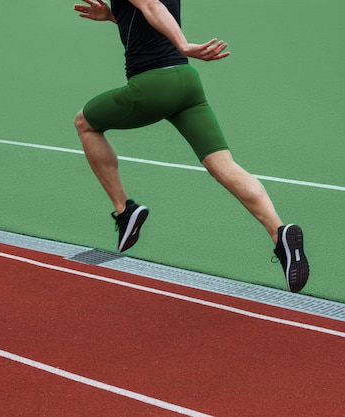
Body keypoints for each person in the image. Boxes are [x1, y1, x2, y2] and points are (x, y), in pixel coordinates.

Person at [72, 0, 310, 292]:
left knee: (85, 123)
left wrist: (184, 45)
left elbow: (152, 6)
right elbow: (147, 18)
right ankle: (280, 234)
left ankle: (125, 210)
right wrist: (113, 15)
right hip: (187, 84)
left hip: (152, 85)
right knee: (224, 166)